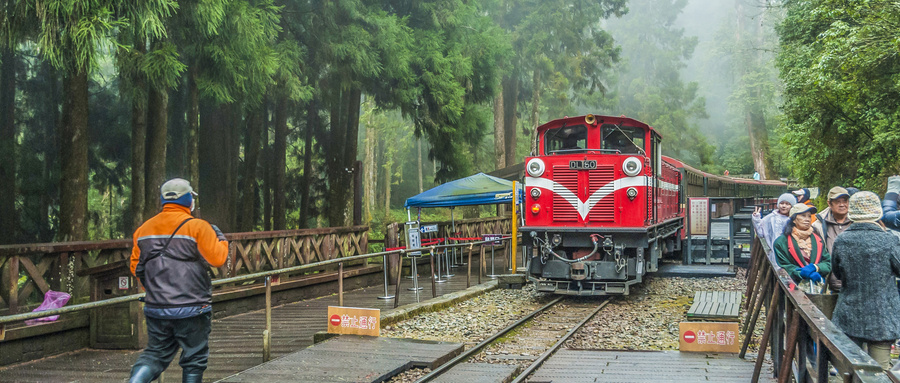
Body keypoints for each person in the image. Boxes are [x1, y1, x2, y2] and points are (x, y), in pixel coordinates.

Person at [128, 178, 229, 383]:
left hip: (157, 306)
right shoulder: (198, 227)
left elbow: (135, 267)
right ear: (188, 199)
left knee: (155, 354)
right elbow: (217, 259)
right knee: (194, 358)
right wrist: (222, 240)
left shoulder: (143, 230)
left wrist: (155, 290)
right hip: (193, 306)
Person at [830, 191, 900, 370]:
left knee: (848, 369)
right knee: (879, 371)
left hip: (849, 314)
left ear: (851, 213)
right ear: (878, 213)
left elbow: (837, 273)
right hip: (882, 317)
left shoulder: (842, 240)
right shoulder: (889, 240)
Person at [773, 203, 831, 287]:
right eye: (803, 216)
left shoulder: (818, 239)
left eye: (809, 216)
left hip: (817, 286)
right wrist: (801, 272)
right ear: (794, 219)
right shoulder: (781, 242)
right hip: (792, 288)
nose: (807, 219)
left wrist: (816, 267)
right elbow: (785, 266)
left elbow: (827, 262)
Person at [811, 187, 853, 292]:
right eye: (838, 202)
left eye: (845, 201)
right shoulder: (818, 225)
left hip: (855, 282)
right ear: (829, 203)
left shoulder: (857, 222)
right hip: (830, 282)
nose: (842, 204)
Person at [752, 193, 797, 266]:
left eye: (787, 204)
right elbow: (760, 233)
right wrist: (756, 219)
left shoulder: (795, 219)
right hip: (773, 254)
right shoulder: (771, 218)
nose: (784, 206)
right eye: (782, 203)